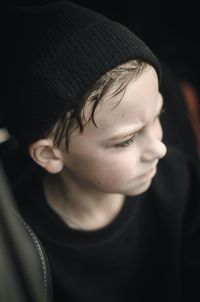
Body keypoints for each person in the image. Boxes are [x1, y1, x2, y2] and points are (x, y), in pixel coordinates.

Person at [1, 1, 200, 301]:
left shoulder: (179, 181)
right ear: (49, 155)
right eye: (126, 140)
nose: (159, 148)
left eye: (157, 117)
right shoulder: (17, 232)